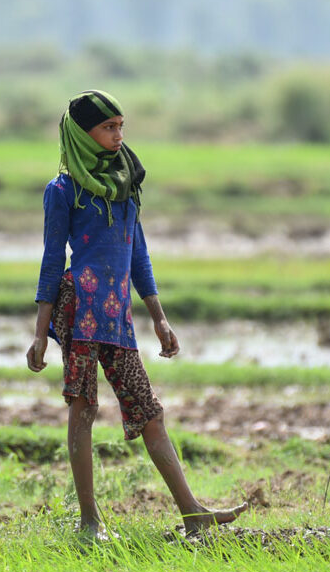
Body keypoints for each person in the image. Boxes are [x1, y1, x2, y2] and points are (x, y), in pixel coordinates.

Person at [26, 89, 247, 538]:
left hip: (117, 314)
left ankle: (192, 512)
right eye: (108, 128)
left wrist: (159, 316)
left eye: (121, 126)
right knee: (84, 409)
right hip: (80, 309)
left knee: (148, 411)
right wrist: (39, 332)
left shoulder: (126, 183)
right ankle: (89, 522)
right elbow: (52, 261)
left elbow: (138, 254)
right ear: (83, 135)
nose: (118, 135)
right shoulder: (63, 190)